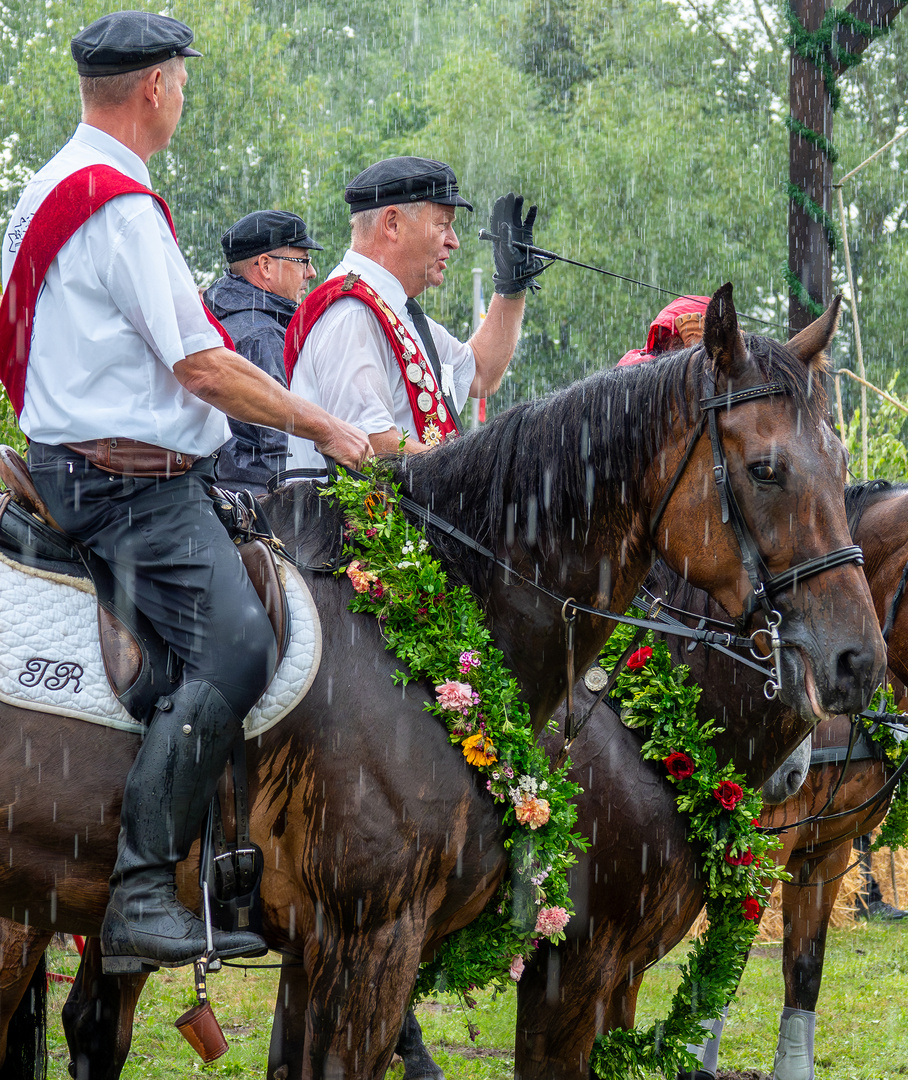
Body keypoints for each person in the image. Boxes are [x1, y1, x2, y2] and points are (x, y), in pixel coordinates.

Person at [0, 10, 371, 974]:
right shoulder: (118, 204)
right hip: (129, 488)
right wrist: (325, 426)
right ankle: (138, 888)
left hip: (80, 466)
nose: (185, 97)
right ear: (158, 88)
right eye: (183, 82)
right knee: (242, 649)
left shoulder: (49, 188)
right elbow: (204, 367)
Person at [285, 156, 546, 461]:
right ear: (392, 225)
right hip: (360, 510)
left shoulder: (391, 307)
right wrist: (473, 472)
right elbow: (373, 445)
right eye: (443, 225)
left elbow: (480, 373)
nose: (454, 242)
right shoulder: (354, 313)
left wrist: (510, 287)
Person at [203, 210, 322, 492]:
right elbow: (286, 445)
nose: (311, 272)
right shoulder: (263, 336)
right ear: (266, 266)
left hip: (226, 489)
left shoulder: (220, 317)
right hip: (266, 501)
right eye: (303, 261)